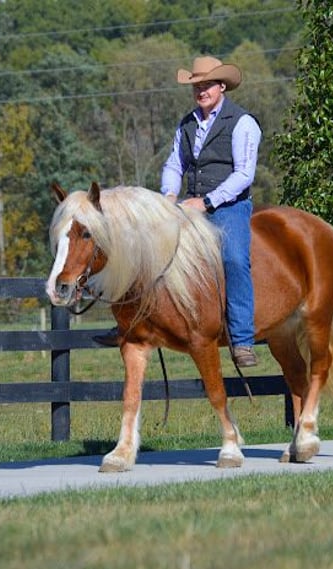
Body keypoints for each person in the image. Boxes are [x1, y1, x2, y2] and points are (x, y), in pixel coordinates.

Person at [94, 56, 261, 368]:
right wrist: (168, 194)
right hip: (190, 205)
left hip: (230, 206)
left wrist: (208, 202)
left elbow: (244, 175)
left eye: (207, 84)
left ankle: (242, 340)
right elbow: (174, 164)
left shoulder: (243, 123)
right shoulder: (186, 124)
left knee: (235, 259)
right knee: (141, 247)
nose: (201, 90)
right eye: (197, 85)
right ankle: (129, 322)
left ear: (221, 86)